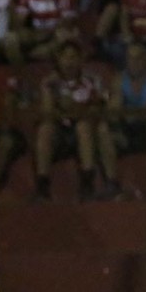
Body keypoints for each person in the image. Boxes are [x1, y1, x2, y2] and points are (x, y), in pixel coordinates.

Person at [35, 40, 120, 202]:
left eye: (73, 57)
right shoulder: (50, 82)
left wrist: (74, 108)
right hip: (61, 132)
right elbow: (47, 114)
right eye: (65, 58)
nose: (69, 62)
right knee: (45, 129)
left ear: (81, 60)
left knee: (83, 126)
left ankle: (87, 183)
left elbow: (96, 109)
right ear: (58, 60)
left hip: (86, 132)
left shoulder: (92, 80)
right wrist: (47, 91)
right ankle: (42, 186)